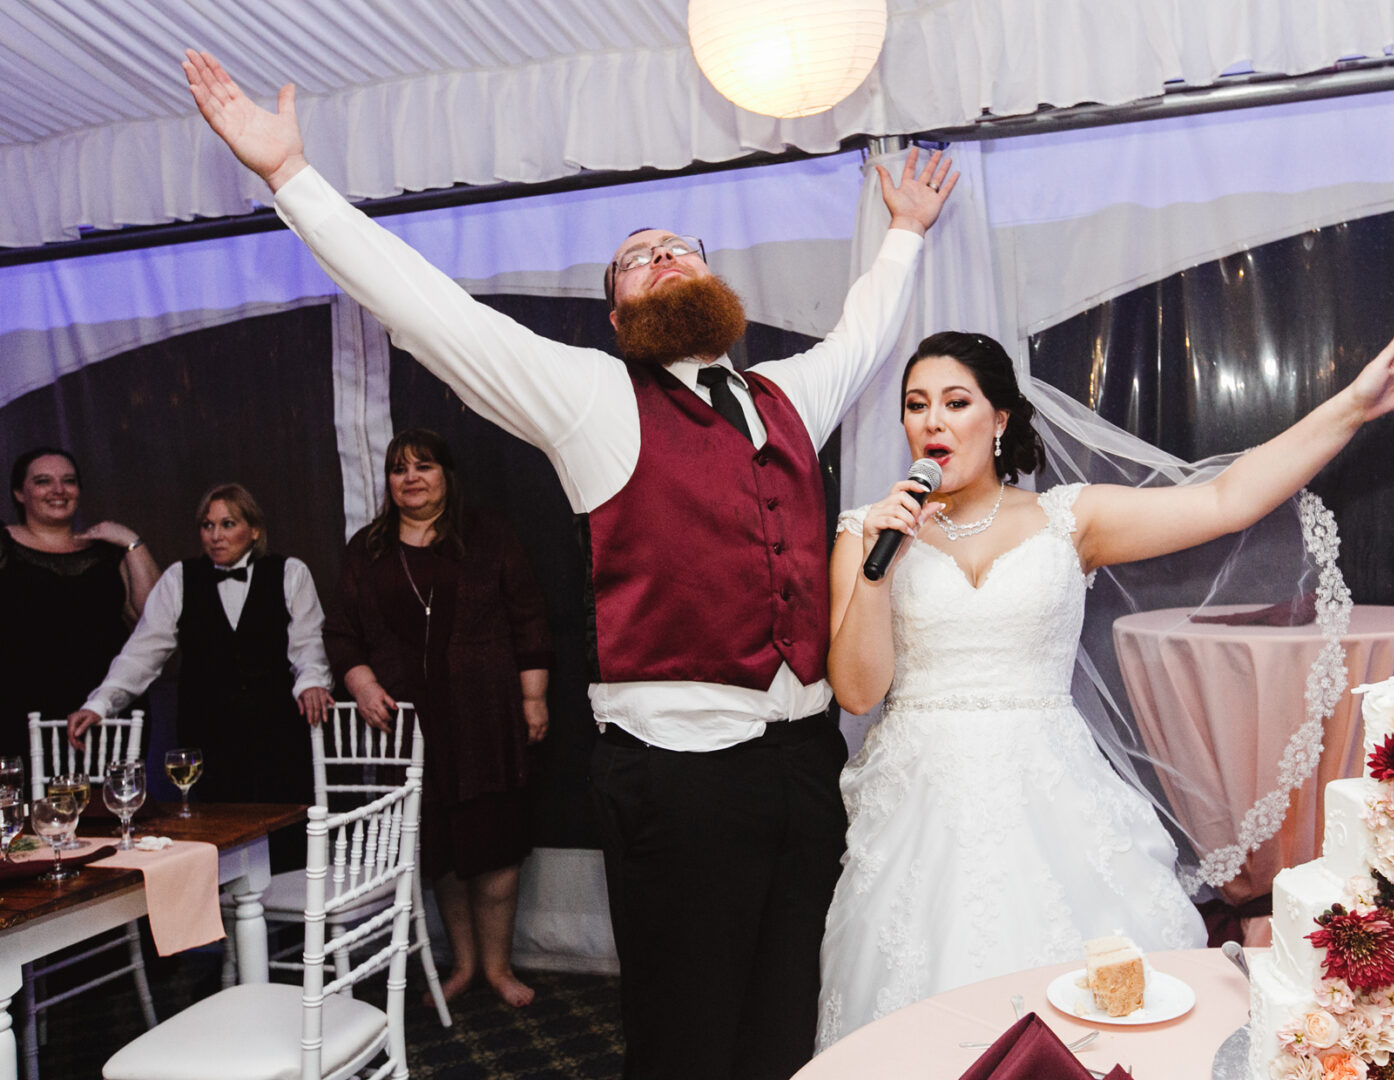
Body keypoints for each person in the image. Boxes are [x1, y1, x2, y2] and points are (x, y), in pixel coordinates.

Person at [181, 46, 956, 1079]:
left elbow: (864, 333)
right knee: (686, 1035)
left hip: (806, 766)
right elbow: (429, 311)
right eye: (640, 255)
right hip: (678, 783)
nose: (667, 254)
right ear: (618, 314)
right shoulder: (593, 397)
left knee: (787, 1012)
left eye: (682, 244)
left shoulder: (787, 397)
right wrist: (292, 180)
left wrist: (903, 233)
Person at [816, 325, 1394, 1047]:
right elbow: (855, 690)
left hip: (1053, 798)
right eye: (916, 404)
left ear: (998, 418)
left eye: (955, 401)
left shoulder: (1069, 520)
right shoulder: (866, 531)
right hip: (919, 811)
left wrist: (1351, 405)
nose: (932, 420)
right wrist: (880, 567)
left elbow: (1226, 498)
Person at [323, 428, 552, 1009]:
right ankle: (463, 966)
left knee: (495, 847)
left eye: (424, 466)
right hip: (411, 726)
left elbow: (528, 616)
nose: (411, 478)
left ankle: (499, 969)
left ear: (447, 474)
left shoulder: (489, 532)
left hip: (488, 717)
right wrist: (362, 683)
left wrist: (533, 698)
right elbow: (341, 633)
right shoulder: (366, 548)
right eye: (399, 469)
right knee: (442, 851)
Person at [67, 483, 333, 864]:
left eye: (227, 524)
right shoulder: (180, 578)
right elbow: (143, 653)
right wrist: (100, 703)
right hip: (208, 738)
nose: (215, 535)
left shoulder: (290, 572)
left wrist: (311, 684)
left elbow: (308, 645)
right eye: (207, 526)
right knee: (217, 844)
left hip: (278, 733)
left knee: (288, 838)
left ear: (253, 529)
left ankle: (295, 923)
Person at [1, 447, 161, 757]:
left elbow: (155, 618)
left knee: (109, 803)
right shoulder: (4, 545)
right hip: (18, 708)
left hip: (105, 710)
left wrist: (132, 542)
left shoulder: (106, 549)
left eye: (69, 481)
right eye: (43, 481)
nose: (59, 490)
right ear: (20, 493)